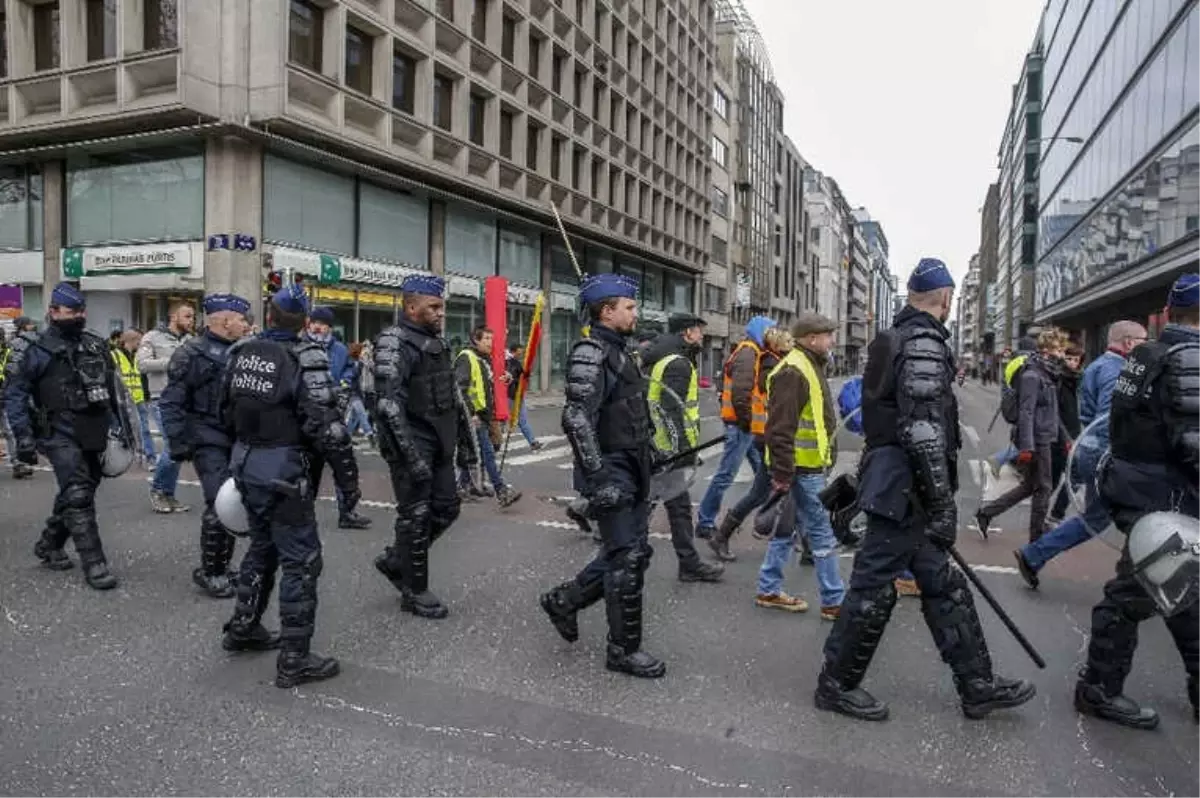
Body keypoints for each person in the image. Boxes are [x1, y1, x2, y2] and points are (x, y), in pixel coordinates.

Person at [815, 258, 1035, 722]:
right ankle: (835, 685)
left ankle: (976, 685)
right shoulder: (922, 342)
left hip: (898, 482)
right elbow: (922, 431)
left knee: (945, 586)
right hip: (904, 489)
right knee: (872, 590)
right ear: (947, 298)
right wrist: (938, 504)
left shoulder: (891, 338)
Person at [1074, 275, 1200, 730]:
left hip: (1143, 491)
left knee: (1182, 590)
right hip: (1168, 499)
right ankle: (1099, 688)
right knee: (1136, 593)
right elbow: (1193, 441)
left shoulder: (1147, 355)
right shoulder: (1188, 359)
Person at [219, 283, 360, 687]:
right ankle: (295, 659)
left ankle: (243, 628)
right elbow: (329, 428)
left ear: (270, 314)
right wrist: (349, 487)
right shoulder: (306, 355)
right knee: (301, 561)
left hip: (246, 463)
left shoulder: (241, 352)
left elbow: (222, 410)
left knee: (261, 550)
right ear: (305, 321)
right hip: (283, 471)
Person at [539, 273, 666, 678]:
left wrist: (654, 450)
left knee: (629, 553)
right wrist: (599, 480)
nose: (635, 312)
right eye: (629, 307)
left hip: (632, 466)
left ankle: (564, 601)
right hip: (611, 470)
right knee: (626, 557)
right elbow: (576, 417)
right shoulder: (591, 352)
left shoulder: (620, 351)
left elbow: (628, 411)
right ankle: (622, 651)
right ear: (607, 310)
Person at [372, 275, 476, 620]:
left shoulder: (438, 343)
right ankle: (414, 590)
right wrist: (410, 455)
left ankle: (397, 560)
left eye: (441, 306)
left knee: (446, 508)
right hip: (413, 442)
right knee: (416, 516)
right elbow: (389, 406)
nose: (440, 313)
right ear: (411, 306)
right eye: (433, 306)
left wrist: (466, 446)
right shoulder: (394, 341)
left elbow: (453, 398)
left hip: (440, 442)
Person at [6, 284, 124, 590]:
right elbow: (15, 396)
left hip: (93, 428)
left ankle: (49, 544)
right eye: (72, 312)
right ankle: (95, 564)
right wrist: (23, 439)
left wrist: (121, 428)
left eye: (81, 312)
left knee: (80, 490)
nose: (78, 317)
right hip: (56, 431)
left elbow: (113, 391)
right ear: (54, 312)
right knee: (77, 494)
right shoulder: (32, 347)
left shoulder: (94, 344)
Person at [1014, 322, 1148, 588]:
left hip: (1089, 449)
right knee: (1113, 517)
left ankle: (1035, 554)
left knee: (1110, 517)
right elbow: (1109, 418)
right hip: (1104, 453)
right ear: (1130, 342)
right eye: (1144, 339)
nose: (1147, 344)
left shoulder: (1096, 366)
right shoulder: (1117, 371)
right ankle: (1138, 581)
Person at [159, 294, 252, 599]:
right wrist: (177, 442)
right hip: (206, 438)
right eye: (241, 319)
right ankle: (211, 572)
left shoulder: (244, 350)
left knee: (234, 501)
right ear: (225, 321)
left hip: (236, 437)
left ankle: (222, 566)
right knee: (218, 503)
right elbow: (172, 401)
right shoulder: (192, 353)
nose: (245, 324)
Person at [753, 313, 846, 619]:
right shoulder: (794, 370)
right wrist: (782, 474)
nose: (832, 340)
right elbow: (780, 428)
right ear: (812, 339)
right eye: (828, 335)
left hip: (802, 466)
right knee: (821, 532)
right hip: (799, 469)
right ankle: (834, 600)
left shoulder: (809, 365)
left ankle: (769, 588)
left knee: (787, 527)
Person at [642, 313, 724, 583]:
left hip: (663, 448)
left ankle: (687, 563)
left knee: (672, 507)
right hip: (669, 451)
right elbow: (671, 409)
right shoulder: (678, 363)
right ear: (687, 333)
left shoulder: (668, 358)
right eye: (699, 331)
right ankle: (618, 556)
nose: (702, 336)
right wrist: (682, 450)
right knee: (660, 507)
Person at [709, 326, 792, 562]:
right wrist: (746, 424)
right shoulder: (774, 367)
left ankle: (724, 534)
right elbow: (746, 395)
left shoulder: (769, 363)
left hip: (766, 436)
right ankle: (795, 540)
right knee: (785, 492)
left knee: (764, 492)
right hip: (770, 438)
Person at [976, 328, 1066, 541]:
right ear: (1047, 350)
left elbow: (1052, 411)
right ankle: (1036, 537)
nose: (1062, 353)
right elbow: (1026, 412)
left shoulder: (1047, 373)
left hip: (1045, 435)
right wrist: (1027, 447)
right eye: (1059, 349)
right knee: (1044, 487)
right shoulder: (1032, 375)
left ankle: (986, 514)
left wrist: (1064, 438)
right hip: (1036, 439)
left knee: (1030, 486)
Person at [695, 315, 776, 539]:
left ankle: (767, 518)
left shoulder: (752, 351)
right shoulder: (749, 352)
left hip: (748, 427)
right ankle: (705, 521)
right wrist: (747, 422)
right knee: (726, 475)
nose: (773, 336)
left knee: (765, 476)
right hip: (743, 427)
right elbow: (742, 394)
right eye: (770, 331)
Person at [304, 307, 371, 529]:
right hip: (309, 419)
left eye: (322, 323)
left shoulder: (340, 350)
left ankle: (347, 513)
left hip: (333, 416)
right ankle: (304, 514)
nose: (317, 326)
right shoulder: (300, 347)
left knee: (342, 467)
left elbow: (350, 372)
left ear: (330, 328)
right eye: (314, 322)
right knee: (308, 469)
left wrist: (342, 388)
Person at [138, 300, 195, 514]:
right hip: (161, 398)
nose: (192, 320)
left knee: (179, 449)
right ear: (174, 317)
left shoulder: (191, 340)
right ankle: (158, 490)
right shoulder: (152, 337)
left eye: (193, 316)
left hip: (185, 401)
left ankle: (169, 495)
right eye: (187, 316)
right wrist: (173, 361)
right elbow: (142, 364)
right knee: (172, 446)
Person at [455, 325, 521, 507]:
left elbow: (486, 382)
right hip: (473, 417)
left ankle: (462, 486)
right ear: (476, 340)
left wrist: (504, 377)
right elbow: (460, 389)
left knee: (476, 454)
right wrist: (472, 413)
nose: (490, 343)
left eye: (491, 339)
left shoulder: (482, 359)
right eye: (486, 339)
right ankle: (501, 491)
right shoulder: (466, 358)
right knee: (487, 453)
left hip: (482, 415)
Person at [1047, 342, 1083, 525]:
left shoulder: (1078, 380)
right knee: (1053, 481)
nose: (1072, 363)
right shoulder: (1059, 381)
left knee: (1074, 476)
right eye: (1069, 358)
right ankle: (1048, 514)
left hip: (1077, 436)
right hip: (1061, 438)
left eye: (1076, 360)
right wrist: (1066, 438)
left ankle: (1056, 513)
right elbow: (1056, 414)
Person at [110, 330, 156, 468]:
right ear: (131, 340)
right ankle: (128, 455)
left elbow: (142, 378)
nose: (140, 344)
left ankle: (148, 457)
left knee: (143, 428)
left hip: (139, 398)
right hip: (123, 400)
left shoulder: (138, 357)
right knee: (124, 429)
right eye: (139, 341)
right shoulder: (114, 355)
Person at [1, 316, 39, 479]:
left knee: (10, 430)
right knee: (10, 430)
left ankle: (18, 464)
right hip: (7, 395)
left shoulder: (9, 350)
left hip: (5, 396)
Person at [506, 343, 544, 450]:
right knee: (503, 420)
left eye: (522, 353)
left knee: (522, 420)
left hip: (518, 395)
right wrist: (521, 377)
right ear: (514, 351)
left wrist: (525, 374)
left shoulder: (515, 362)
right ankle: (495, 443)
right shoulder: (508, 362)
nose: (521, 355)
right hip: (511, 396)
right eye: (519, 353)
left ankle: (533, 442)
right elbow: (511, 378)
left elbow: (520, 375)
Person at [344, 342, 375, 443]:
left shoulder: (360, 363)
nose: (364, 352)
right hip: (352, 391)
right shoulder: (351, 363)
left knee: (355, 416)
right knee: (361, 412)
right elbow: (350, 377)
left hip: (358, 391)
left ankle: (347, 435)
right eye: (362, 351)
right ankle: (369, 432)